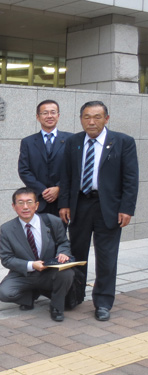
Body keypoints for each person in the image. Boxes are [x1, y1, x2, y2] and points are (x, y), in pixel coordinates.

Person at [59, 101, 139, 322]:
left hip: (109, 208)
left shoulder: (123, 142)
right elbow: (66, 176)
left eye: (96, 117)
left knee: (106, 257)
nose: (91, 122)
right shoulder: (73, 142)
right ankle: (74, 296)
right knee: (77, 255)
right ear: (81, 118)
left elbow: (130, 179)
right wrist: (64, 204)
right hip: (79, 205)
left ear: (107, 118)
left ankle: (103, 302)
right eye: (86, 117)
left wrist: (126, 208)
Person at [0, 187, 74, 322]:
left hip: (49, 271)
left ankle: (56, 307)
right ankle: (29, 297)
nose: (25, 207)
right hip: (24, 273)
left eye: (29, 202)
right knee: (4, 293)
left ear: (37, 205)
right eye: (20, 203)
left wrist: (63, 253)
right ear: (14, 206)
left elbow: (63, 242)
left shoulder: (52, 221)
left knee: (67, 273)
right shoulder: (7, 229)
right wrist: (31, 265)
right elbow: (6, 259)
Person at [18, 100, 72, 217]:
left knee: (59, 235)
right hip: (38, 201)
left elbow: (74, 169)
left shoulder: (71, 140)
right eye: (45, 113)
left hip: (62, 202)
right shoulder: (28, 142)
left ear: (58, 115)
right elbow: (24, 170)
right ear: (38, 117)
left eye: (53, 112)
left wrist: (58, 188)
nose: (49, 116)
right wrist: (43, 191)